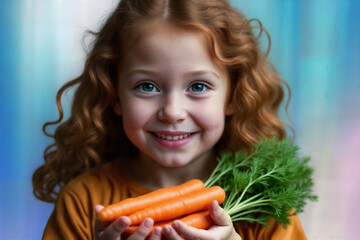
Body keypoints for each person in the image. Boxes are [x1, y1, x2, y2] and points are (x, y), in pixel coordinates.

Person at [32, 0, 307, 239]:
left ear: (233, 96)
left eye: (198, 87)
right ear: (114, 94)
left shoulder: (264, 203)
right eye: (147, 86)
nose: (172, 112)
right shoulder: (83, 202)